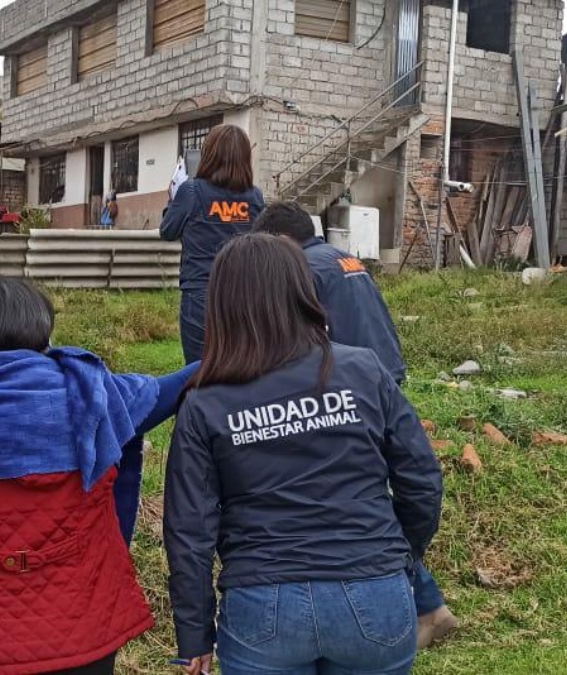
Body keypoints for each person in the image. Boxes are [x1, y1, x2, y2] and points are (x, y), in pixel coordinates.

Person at [0, 279, 197, 675]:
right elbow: (173, 388)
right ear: (42, 329)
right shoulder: (95, 399)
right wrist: (252, 342)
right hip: (84, 635)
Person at [164, 233, 443, 675]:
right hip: (375, 593)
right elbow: (422, 481)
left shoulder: (205, 401)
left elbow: (189, 530)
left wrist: (194, 634)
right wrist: (397, 558)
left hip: (263, 608)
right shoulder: (364, 370)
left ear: (222, 304)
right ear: (302, 289)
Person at [254, 201, 456, 648]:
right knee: (371, 490)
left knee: (358, 497)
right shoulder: (342, 258)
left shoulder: (301, 269)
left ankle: (424, 603)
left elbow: (305, 336)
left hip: (343, 386)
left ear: (282, 242)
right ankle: (427, 603)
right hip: (380, 373)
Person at [160, 124, 266, 365]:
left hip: (201, 295)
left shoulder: (191, 191)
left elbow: (167, 231)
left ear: (209, 155)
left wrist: (172, 197)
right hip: (244, 295)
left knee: (200, 370)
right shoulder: (255, 196)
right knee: (239, 366)